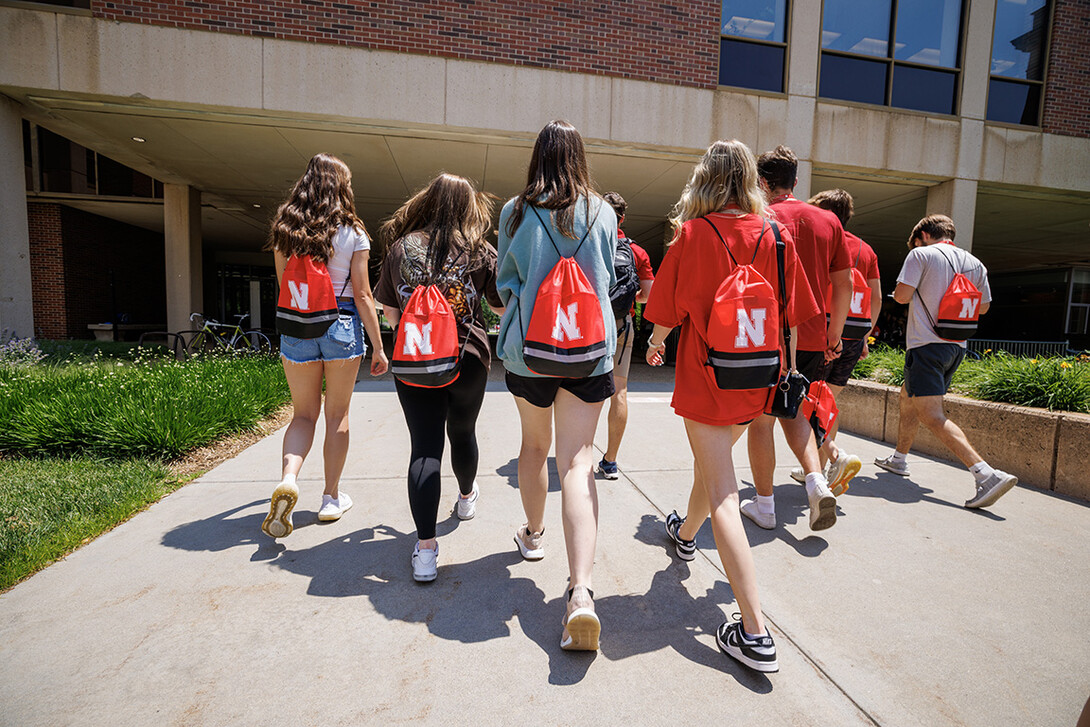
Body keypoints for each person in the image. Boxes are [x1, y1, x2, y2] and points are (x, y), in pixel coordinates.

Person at [644, 139, 819, 673]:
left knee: (723, 488)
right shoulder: (778, 235)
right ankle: (685, 533)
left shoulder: (692, 234)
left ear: (705, 179)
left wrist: (653, 344)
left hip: (707, 374)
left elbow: (667, 311)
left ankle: (754, 631)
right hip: (758, 378)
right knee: (712, 467)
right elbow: (794, 316)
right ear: (751, 180)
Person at [496, 120, 618, 651]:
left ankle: (534, 535)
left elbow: (504, 284)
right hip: (589, 353)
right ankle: (582, 593)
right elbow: (607, 281)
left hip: (530, 352)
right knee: (577, 461)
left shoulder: (516, 212)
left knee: (534, 447)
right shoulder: (604, 212)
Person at [375, 173, 504, 582]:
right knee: (463, 433)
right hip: (468, 357)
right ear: (468, 206)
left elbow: (390, 315)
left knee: (424, 447)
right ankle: (466, 498)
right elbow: (502, 310)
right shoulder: (480, 251)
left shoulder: (400, 248)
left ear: (426, 202)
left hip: (415, 362)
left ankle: (426, 550)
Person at [262, 153, 389, 539]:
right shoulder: (354, 233)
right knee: (338, 416)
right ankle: (331, 498)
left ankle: (289, 479)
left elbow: (285, 287)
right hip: (342, 324)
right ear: (342, 187)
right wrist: (380, 347)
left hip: (298, 326)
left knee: (303, 415)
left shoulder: (286, 228)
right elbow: (365, 294)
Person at [742, 145, 854, 532]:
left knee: (761, 421)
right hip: (812, 335)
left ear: (762, 182)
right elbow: (845, 283)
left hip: (765, 336)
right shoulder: (828, 221)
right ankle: (816, 480)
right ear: (795, 181)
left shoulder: (757, 216)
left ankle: (765, 506)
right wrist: (834, 335)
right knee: (796, 409)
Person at [875, 214, 1017, 508]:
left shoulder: (921, 254)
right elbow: (984, 307)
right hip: (955, 347)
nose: (913, 246)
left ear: (924, 234)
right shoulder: (975, 263)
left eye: (914, 241)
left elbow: (901, 297)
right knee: (907, 396)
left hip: (926, 345)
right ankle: (899, 459)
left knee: (931, 415)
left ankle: (985, 474)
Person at [787, 188, 882, 483]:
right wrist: (864, 335)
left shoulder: (823, 238)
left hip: (825, 334)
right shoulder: (866, 250)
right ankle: (821, 466)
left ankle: (832, 456)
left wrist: (833, 333)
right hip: (853, 335)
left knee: (806, 404)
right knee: (826, 402)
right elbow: (876, 297)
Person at [596, 191, 655, 480]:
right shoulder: (637, 251)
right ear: (623, 217)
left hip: (592, 324)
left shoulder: (589, 245)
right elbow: (648, 296)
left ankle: (578, 453)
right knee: (619, 391)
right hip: (623, 324)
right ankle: (610, 461)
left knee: (587, 389)